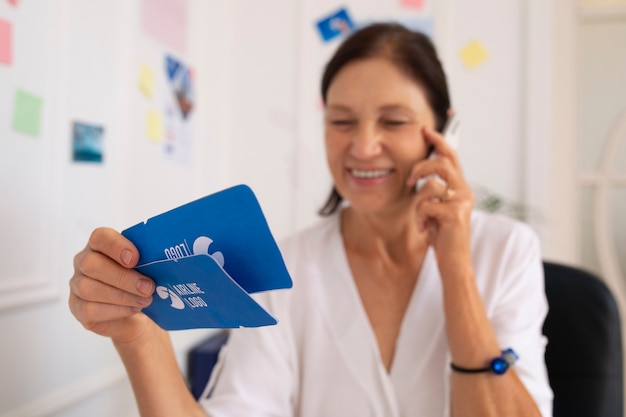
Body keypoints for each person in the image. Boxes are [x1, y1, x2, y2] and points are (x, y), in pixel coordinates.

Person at [69, 23, 553, 416]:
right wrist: (139, 336)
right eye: (341, 121)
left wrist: (456, 270)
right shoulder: (286, 266)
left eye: (394, 121)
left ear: (444, 132)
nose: (363, 146)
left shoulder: (508, 251)